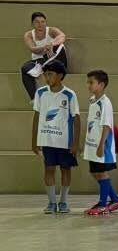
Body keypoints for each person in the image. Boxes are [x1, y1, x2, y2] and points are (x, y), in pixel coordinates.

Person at [30, 63, 79, 214]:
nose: (46, 77)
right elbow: (37, 116)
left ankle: (63, 201)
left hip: (65, 141)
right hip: (47, 139)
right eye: (45, 74)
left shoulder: (70, 94)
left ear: (60, 76)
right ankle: (52, 202)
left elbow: (76, 119)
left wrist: (75, 143)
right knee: (49, 169)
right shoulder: (40, 93)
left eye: (50, 74)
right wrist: (34, 141)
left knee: (65, 170)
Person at [82, 69, 118, 215]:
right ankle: (115, 199)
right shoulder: (94, 101)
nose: (88, 85)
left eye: (91, 82)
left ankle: (102, 203)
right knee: (95, 173)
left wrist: (101, 145)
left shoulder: (105, 103)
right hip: (92, 146)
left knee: (102, 173)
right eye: (88, 82)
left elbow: (107, 125)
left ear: (101, 84)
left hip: (102, 146)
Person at [20, 11, 67, 100]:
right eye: (37, 22)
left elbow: (62, 36)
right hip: (39, 60)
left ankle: (42, 67)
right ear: (32, 24)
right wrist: (44, 48)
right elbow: (33, 49)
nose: (40, 25)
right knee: (24, 68)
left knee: (60, 46)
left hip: (55, 59)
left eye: (43, 22)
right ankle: (34, 99)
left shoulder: (51, 30)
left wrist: (51, 44)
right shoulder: (28, 35)